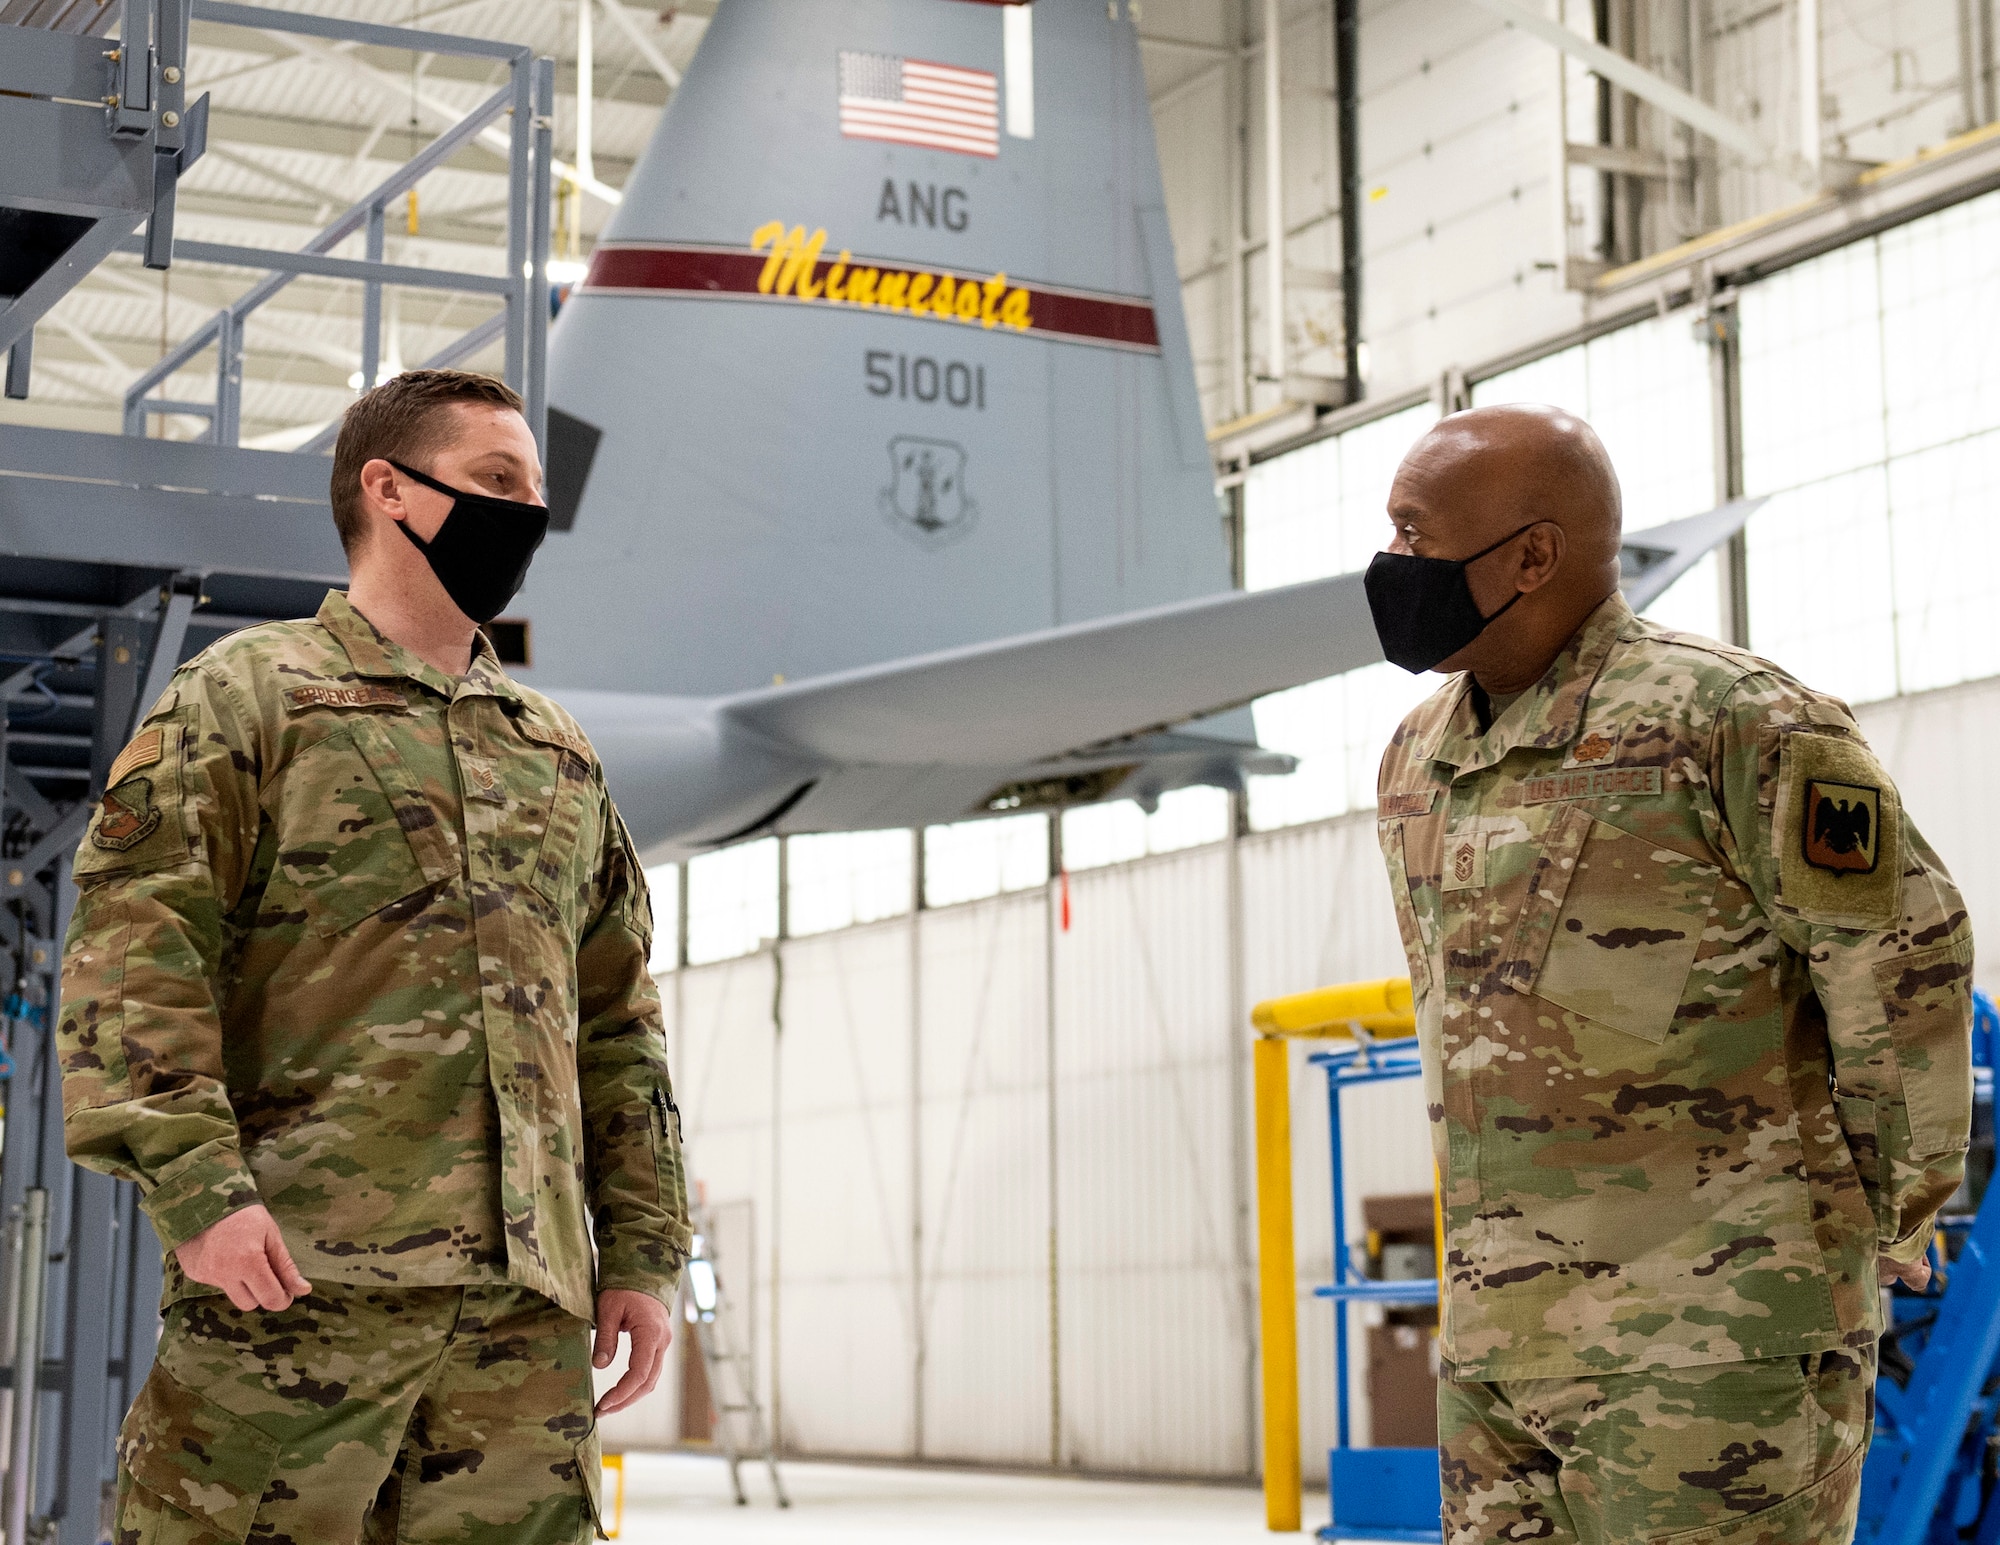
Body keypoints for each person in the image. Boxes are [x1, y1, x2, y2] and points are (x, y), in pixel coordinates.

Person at [58, 369, 690, 1545]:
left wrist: (645, 1256)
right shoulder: (248, 699)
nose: (526, 514)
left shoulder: (554, 755)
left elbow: (617, 1027)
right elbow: (138, 957)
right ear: (388, 490)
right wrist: (199, 1192)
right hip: (295, 1287)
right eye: (497, 482)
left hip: (520, 1316)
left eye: (535, 490)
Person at [1366, 404, 1973, 1545]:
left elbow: (1899, 961)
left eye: (1412, 533)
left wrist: (1874, 1227)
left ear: (1530, 555)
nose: (1392, 563)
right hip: (1499, 1346)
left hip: (1713, 1346)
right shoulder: (1420, 755)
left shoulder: (1732, 720)